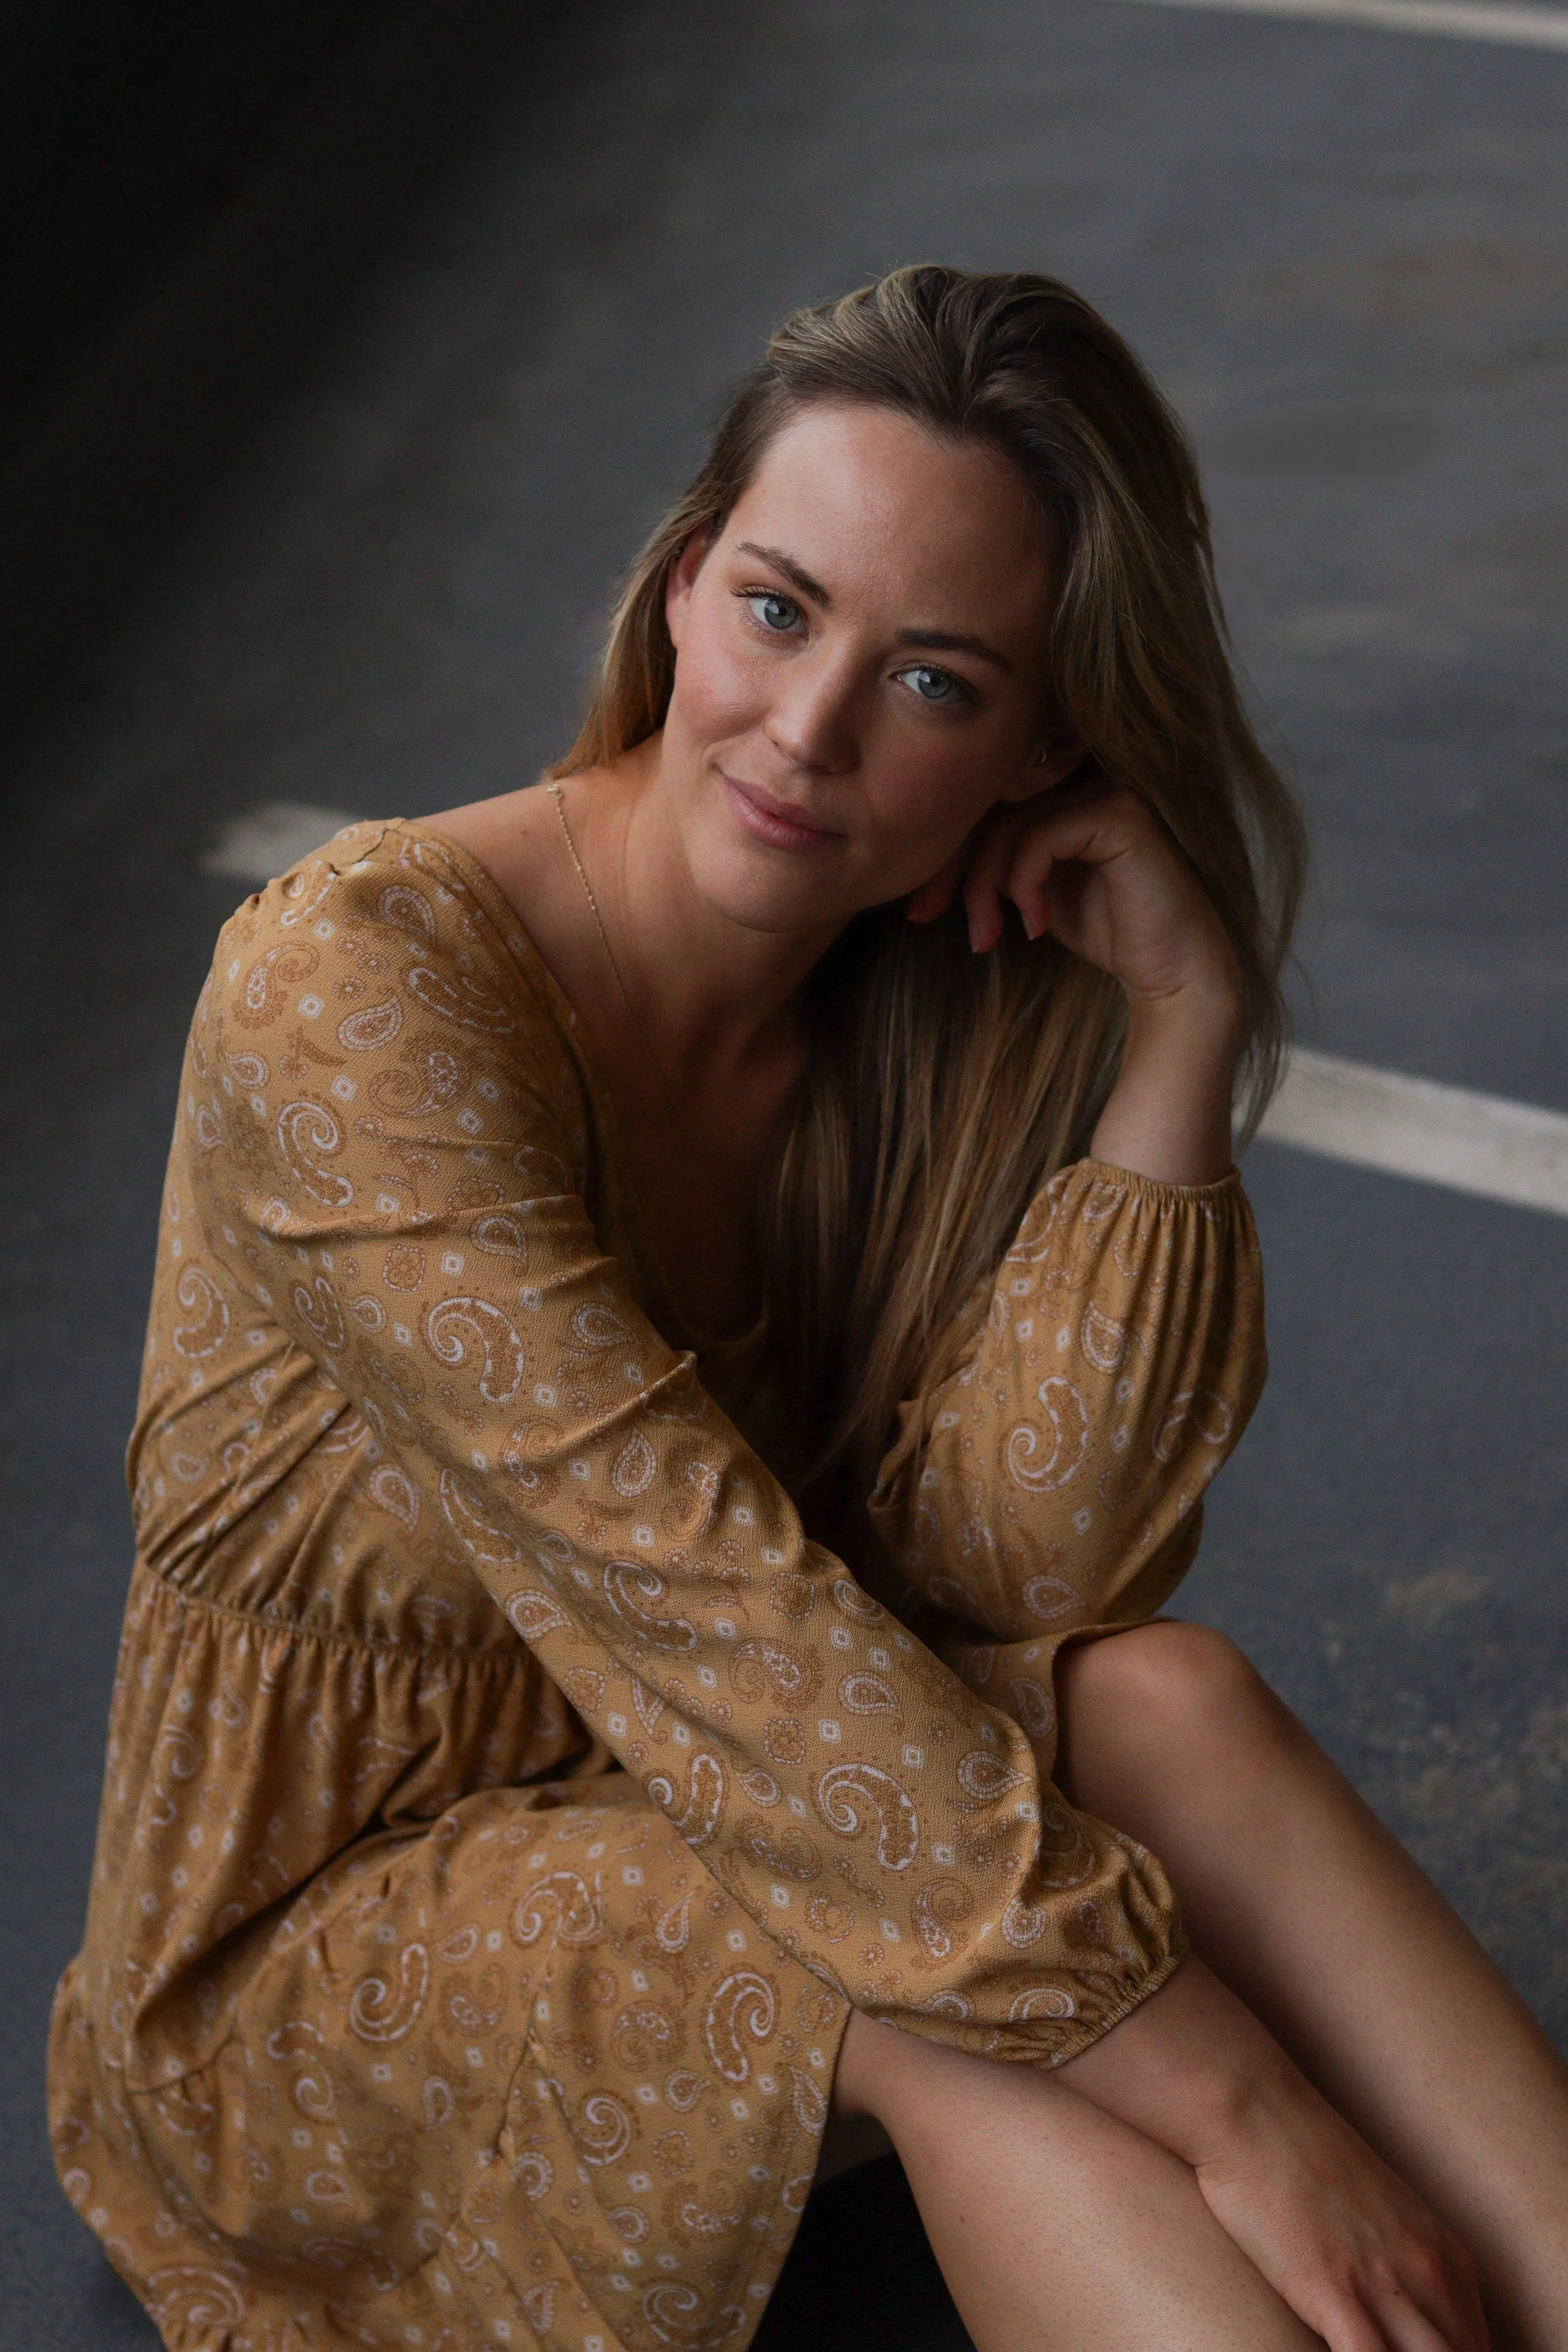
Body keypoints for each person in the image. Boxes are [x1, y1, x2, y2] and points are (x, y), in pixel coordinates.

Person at [48, 265, 1568, 2352]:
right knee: (931, 1997)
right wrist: (1240, 2105)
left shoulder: (908, 1032)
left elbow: (1008, 1577)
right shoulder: (364, 991)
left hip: (717, 1807)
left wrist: (1178, 1036)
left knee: (1169, 1702)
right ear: (681, 587)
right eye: (777, 607)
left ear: (1045, 744)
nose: (810, 727)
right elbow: (704, 1616)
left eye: (935, 680)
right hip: (306, 1989)